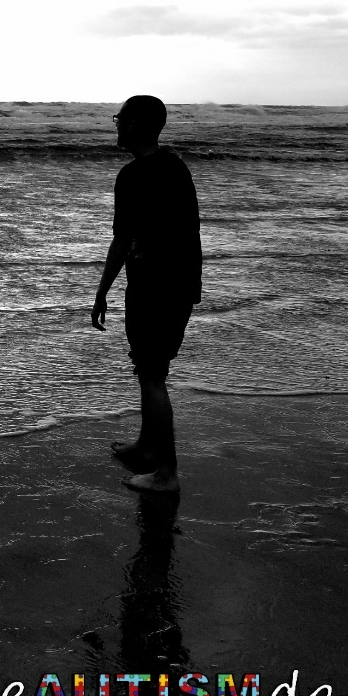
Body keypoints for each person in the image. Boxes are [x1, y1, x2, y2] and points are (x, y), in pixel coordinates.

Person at [91, 95, 202, 493]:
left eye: (121, 119)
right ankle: (147, 447)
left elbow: (123, 239)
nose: (117, 125)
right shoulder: (175, 167)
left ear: (136, 124)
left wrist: (102, 290)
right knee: (150, 368)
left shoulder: (134, 175)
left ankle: (166, 473)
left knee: (152, 375)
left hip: (156, 287)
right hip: (178, 284)